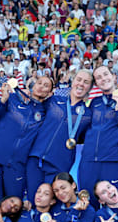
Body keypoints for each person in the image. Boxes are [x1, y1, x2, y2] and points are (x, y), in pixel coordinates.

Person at [0, 75, 53, 203]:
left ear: (50, 93)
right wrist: (2, 101)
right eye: (39, 83)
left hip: (16, 165)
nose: (41, 86)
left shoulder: (47, 113)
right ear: (33, 85)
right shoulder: (12, 99)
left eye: (46, 85)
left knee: (14, 206)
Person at [26, 70, 93, 203]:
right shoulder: (54, 100)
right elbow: (34, 112)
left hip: (60, 164)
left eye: (86, 82)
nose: (81, 84)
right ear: (72, 82)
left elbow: (90, 135)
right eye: (78, 79)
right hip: (36, 158)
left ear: (90, 87)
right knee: (33, 200)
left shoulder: (88, 114)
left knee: (51, 202)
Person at [78, 66, 118, 208]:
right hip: (89, 160)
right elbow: (86, 129)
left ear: (114, 76)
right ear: (96, 84)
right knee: (87, 204)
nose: (103, 78)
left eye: (105, 74)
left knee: (115, 204)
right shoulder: (94, 103)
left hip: (113, 159)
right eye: (98, 77)